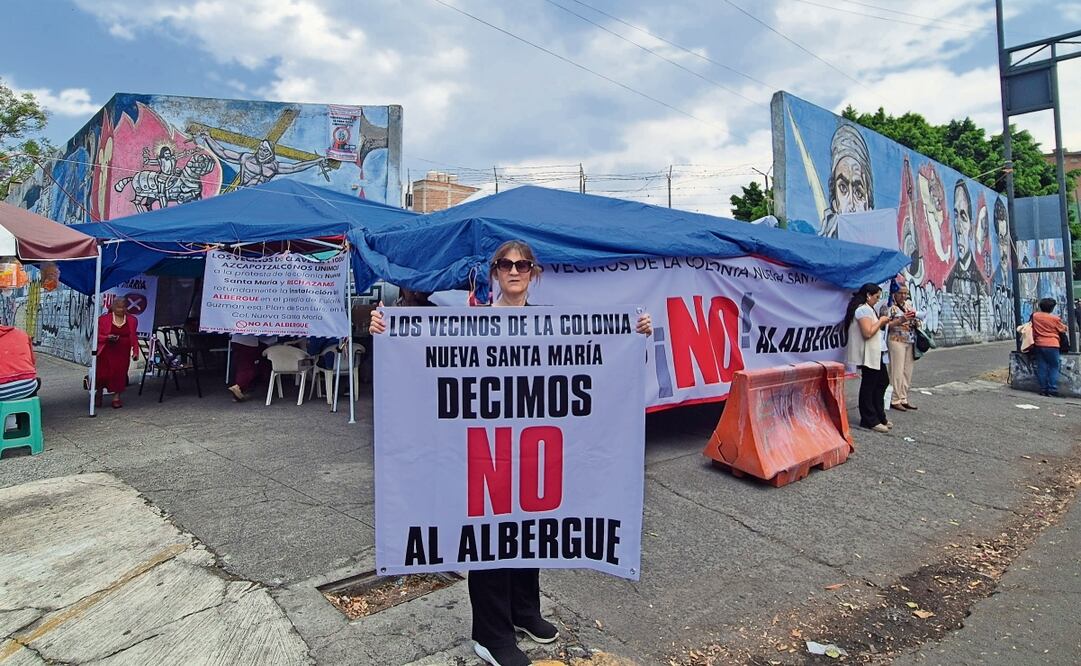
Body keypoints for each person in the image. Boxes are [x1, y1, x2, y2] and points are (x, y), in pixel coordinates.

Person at [371, 240, 652, 666]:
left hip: (532, 455)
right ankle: (491, 635)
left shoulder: (548, 324)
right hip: (485, 454)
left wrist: (634, 331)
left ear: (534, 273)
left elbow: (600, 361)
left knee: (530, 530)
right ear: (495, 273)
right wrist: (385, 329)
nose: (514, 271)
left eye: (522, 265)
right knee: (488, 537)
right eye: (505, 264)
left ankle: (524, 611)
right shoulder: (472, 324)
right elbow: (423, 359)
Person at [845, 283, 902, 433]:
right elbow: (868, 332)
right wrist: (881, 321)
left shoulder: (868, 309)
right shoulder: (863, 310)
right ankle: (869, 419)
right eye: (876, 297)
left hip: (875, 352)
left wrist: (886, 321)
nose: (877, 300)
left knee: (881, 382)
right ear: (868, 295)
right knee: (870, 385)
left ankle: (879, 415)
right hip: (868, 353)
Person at [881, 285, 921, 411]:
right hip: (896, 340)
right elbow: (885, 325)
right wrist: (901, 320)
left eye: (905, 293)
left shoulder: (909, 305)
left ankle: (903, 397)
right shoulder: (889, 307)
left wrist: (916, 321)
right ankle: (894, 399)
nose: (903, 296)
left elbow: (917, 320)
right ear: (895, 293)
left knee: (907, 371)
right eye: (900, 293)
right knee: (896, 371)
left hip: (910, 340)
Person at [96, 299, 139, 409]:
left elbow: (133, 336)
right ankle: (99, 392)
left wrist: (135, 351)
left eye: (123, 307)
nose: (121, 310)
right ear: (113, 307)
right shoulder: (103, 319)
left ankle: (116, 397)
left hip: (123, 351)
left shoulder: (132, 320)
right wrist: (107, 337)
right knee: (103, 374)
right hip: (106, 350)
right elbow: (96, 336)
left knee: (120, 373)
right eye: (118, 307)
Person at [1031, 298, 1067, 397]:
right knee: (1054, 366)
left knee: (1041, 366)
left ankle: (1043, 389)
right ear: (1052, 308)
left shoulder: (1035, 316)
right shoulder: (1055, 319)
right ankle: (1052, 389)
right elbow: (1063, 329)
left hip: (1039, 344)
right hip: (1052, 344)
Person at [227, 334, 277, 401]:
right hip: (249, 342)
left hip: (236, 340)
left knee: (240, 365)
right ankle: (239, 386)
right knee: (249, 369)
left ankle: (238, 391)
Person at [0, 325, 40, 402]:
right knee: (37, 381)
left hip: (2, 392)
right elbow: (33, 361)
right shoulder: (21, 334)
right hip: (28, 386)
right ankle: (29, 408)